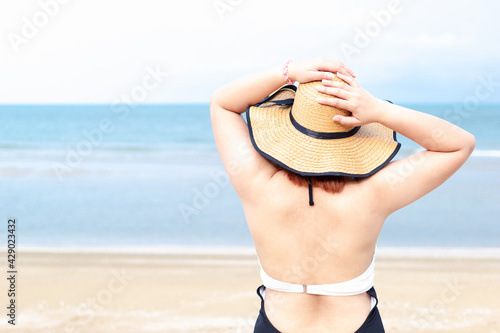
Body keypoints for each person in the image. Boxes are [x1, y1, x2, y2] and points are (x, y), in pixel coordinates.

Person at [209, 57, 475, 333]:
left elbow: (223, 104)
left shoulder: (257, 183)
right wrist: (378, 110)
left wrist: (287, 72)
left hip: (278, 323)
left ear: (287, 133)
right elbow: (459, 145)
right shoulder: (374, 192)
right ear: (354, 134)